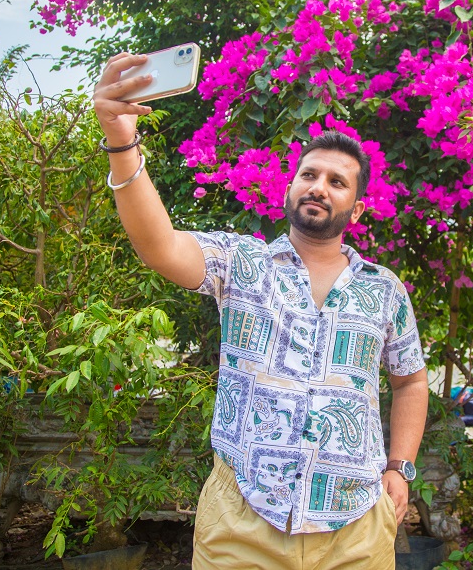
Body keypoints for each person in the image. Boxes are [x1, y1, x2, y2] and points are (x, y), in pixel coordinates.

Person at [93, 52, 429, 570]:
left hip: (356, 528)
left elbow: (410, 382)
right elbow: (159, 246)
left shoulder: (384, 290)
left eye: (336, 182)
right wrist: (121, 138)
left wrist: (399, 467)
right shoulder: (240, 261)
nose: (318, 186)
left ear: (357, 209)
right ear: (290, 187)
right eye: (308, 174)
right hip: (243, 520)